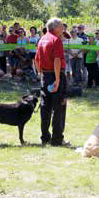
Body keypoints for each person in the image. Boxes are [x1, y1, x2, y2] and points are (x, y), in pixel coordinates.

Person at [35, 17, 68, 146]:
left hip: (45, 76)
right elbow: (57, 60)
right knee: (59, 108)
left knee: (45, 108)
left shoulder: (42, 39)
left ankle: (45, 137)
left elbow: (36, 60)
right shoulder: (56, 40)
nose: (63, 28)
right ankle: (57, 140)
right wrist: (58, 80)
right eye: (61, 26)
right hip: (55, 75)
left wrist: (40, 74)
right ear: (54, 27)